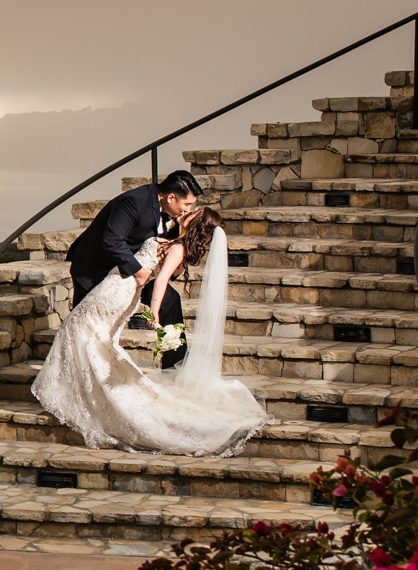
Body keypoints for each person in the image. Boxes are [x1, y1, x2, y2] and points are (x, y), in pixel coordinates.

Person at [34, 189, 268, 457]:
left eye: (192, 211)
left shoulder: (177, 247)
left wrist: (155, 312)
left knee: (82, 331)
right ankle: (81, 390)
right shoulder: (173, 239)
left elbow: (161, 280)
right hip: (118, 287)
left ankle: (86, 394)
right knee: (86, 334)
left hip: (119, 289)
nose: (187, 211)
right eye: (188, 206)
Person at [65, 170, 203, 370]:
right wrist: (138, 271)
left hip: (131, 272)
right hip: (95, 268)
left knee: (170, 300)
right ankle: (77, 370)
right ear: (171, 197)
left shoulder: (172, 213)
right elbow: (112, 240)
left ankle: (175, 369)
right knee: (84, 324)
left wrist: (183, 230)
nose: (188, 210)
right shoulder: (133, 202)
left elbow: (167, 250)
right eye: (187, 204)